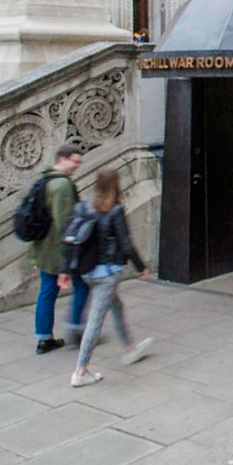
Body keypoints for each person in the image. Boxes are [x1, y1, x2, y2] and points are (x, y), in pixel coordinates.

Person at [59, 166, 154, 387]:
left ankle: (129, 348)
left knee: (116, 306)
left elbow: (70, 239)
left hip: (87, 271)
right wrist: (142, 267)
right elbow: (126, 243)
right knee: (95, 320)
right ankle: (80, 371)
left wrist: (65, 271)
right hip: (107, 273)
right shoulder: (115, 210)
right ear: (116, 185)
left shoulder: (83, 207)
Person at [31, 143, 91, 355]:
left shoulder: (45, 179)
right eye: (74, 161)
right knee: (82, 285)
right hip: (60, 252)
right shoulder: (62, 186)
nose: (77, 166)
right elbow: (65, 225)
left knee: (47, 291)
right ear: (62, 159)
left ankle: (43, 337)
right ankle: (75, 327)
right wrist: (67, 262)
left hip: (44, 249)